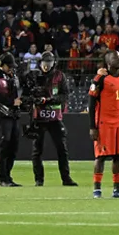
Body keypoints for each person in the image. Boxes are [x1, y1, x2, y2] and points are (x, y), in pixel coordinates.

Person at [25, 51, 75, 187]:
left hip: (55, 118)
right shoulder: (33, 75)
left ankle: (66, 178)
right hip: (38, 118)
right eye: (44, 63)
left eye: (49, 63)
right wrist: (34, 99)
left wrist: (48, 100)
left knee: (62, 149)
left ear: (53, 63)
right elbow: (26, 95)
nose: (46, 66)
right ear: (40, 63)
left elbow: (65, 95)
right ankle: (39, 179)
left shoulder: (59, 76)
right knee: (37, 150)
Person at [89, 50, 119, 198]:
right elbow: (91, 103)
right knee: (101, 156)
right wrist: (93, 126)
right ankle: (97, 189)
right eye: (115, 57)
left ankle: (117, 190)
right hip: (104, 123)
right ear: (108, 62)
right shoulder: (100, 79)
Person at [0, 53, 24, 187]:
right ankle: (3, 178)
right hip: (2, 114)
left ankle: (8, 175)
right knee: (5, 143)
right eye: (8, 66)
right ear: (1, 64)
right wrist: (12, 102)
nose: (11, 68)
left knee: (13, 145)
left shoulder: (12, 76)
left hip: (14, 114)